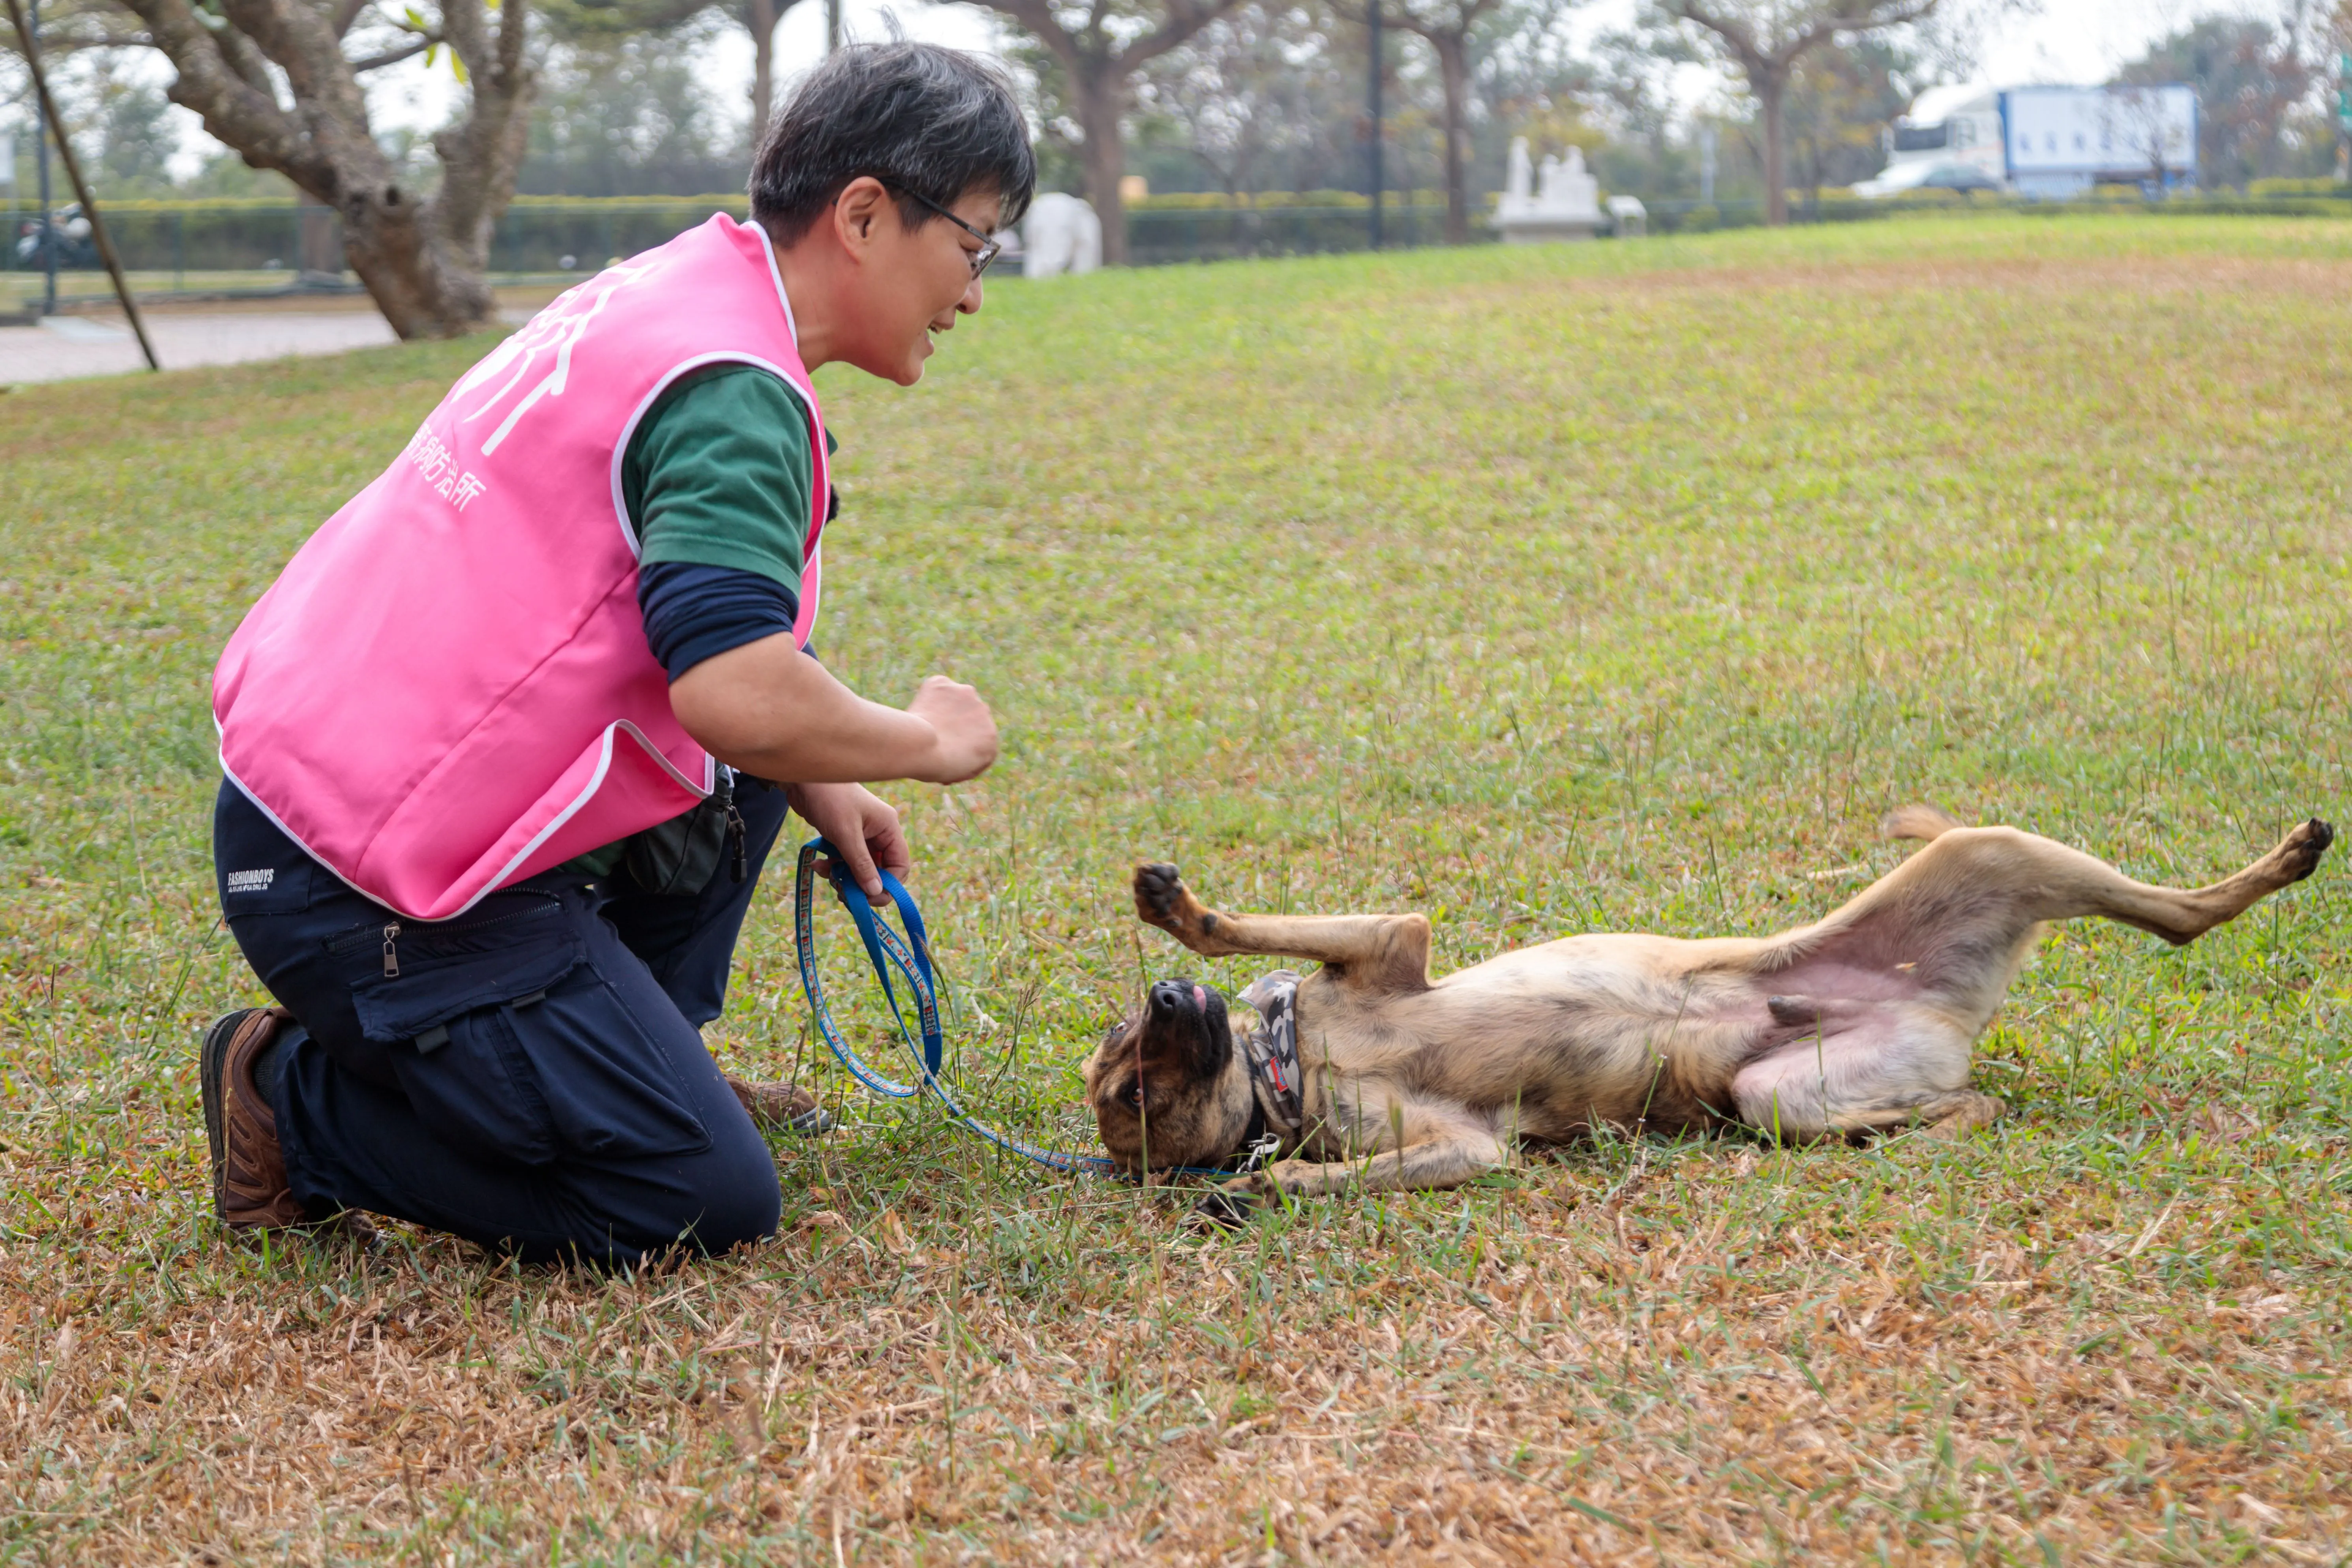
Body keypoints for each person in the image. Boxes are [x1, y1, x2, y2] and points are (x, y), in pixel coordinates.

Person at [199, 43, 1030, 1267]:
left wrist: (820, 767)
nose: (972, 294)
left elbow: (724, 658)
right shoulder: (732, 385)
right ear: (863, 214)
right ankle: (289, 1102)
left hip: (309, 812)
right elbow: (734, 692)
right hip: (370, 885)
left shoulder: (679, 289)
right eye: (975, 244)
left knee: (764, 751)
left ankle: (639, 1052)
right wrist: (924, 743)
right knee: (696, 1196)